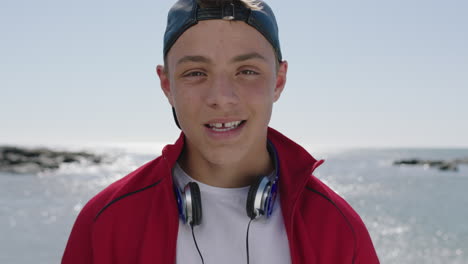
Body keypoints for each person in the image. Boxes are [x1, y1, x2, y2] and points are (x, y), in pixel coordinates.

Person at [62, 0, 380, 263]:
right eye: (196, 73)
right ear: (167, 85)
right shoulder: (105, 223)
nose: (221, 98)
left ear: (279, 81)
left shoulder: (339, 229)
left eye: (247, 71)